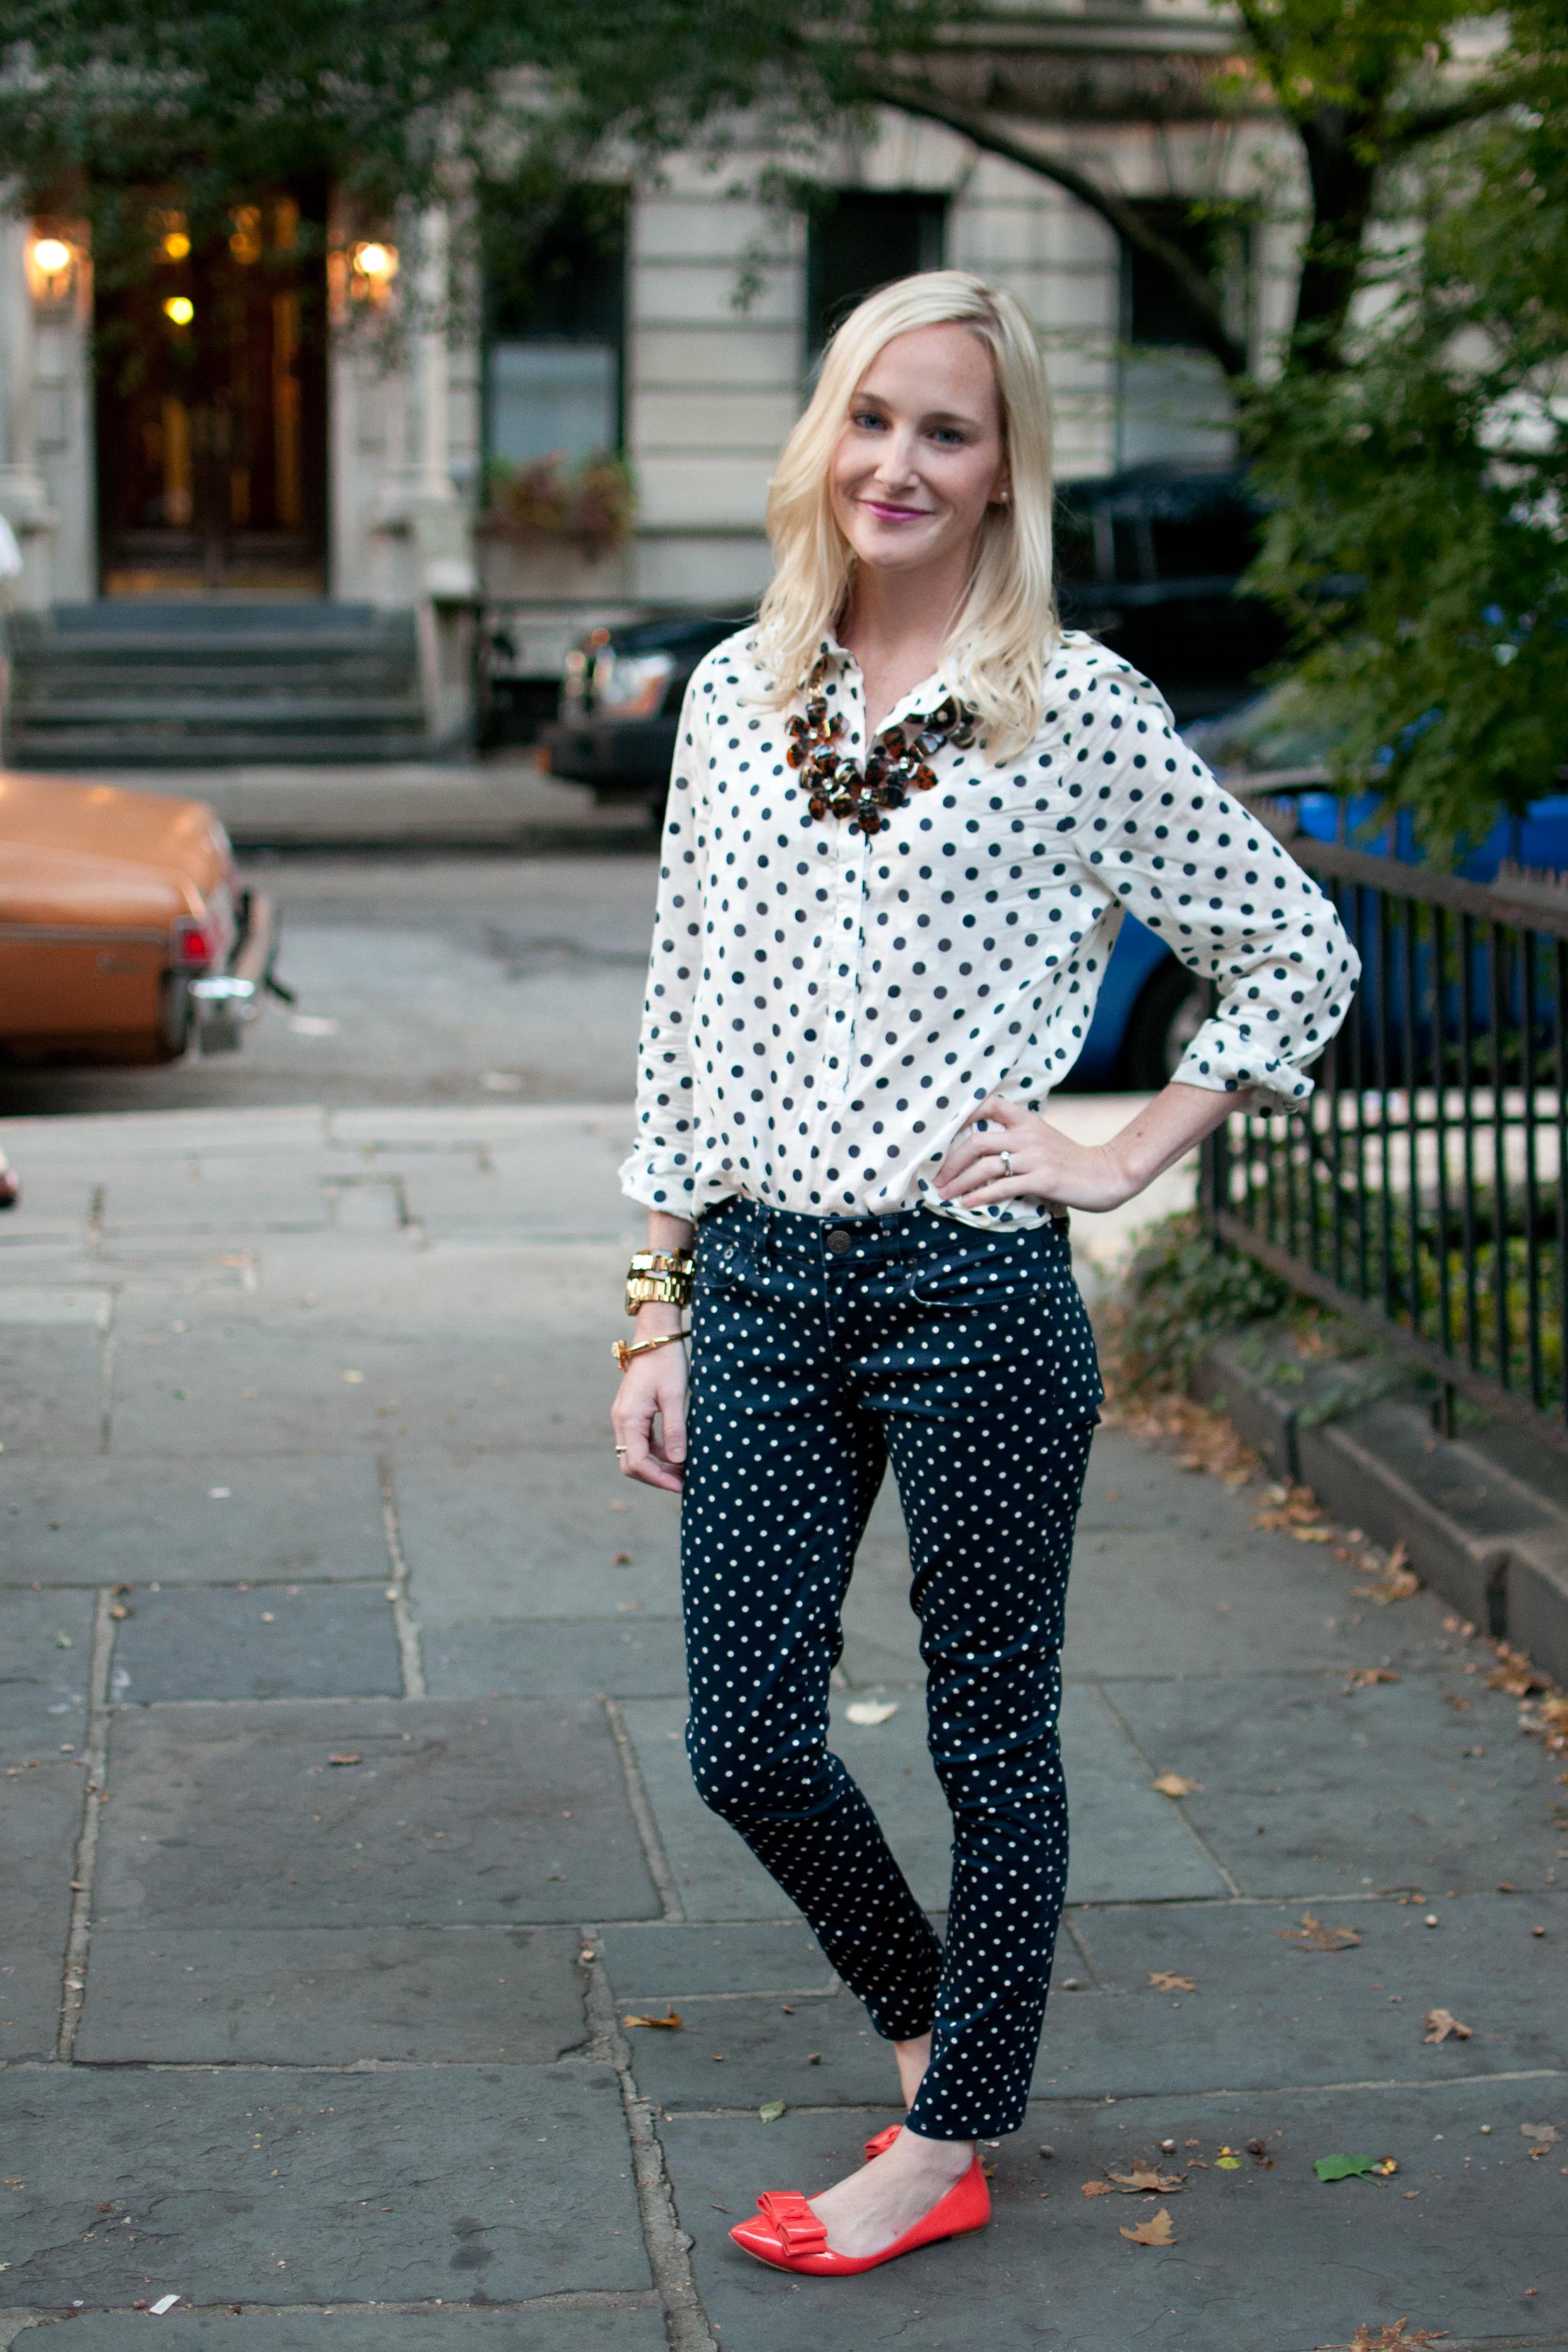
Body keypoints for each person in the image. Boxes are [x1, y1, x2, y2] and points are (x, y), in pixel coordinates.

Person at [610, 270, 1359, 2278]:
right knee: (747, 1737)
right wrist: (652, 1299)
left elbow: (1293, 948)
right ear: (821, 436)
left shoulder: (1077, 706)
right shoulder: (728, 699)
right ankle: (949, 2031)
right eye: (872, 417)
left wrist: (1116, 1148)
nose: (900, 463)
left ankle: (943, 2133)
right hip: (760, 1283)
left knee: (988, 1729)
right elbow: (685, 1010)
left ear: (1004, 460)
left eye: (948, 429)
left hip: (972, 1295)